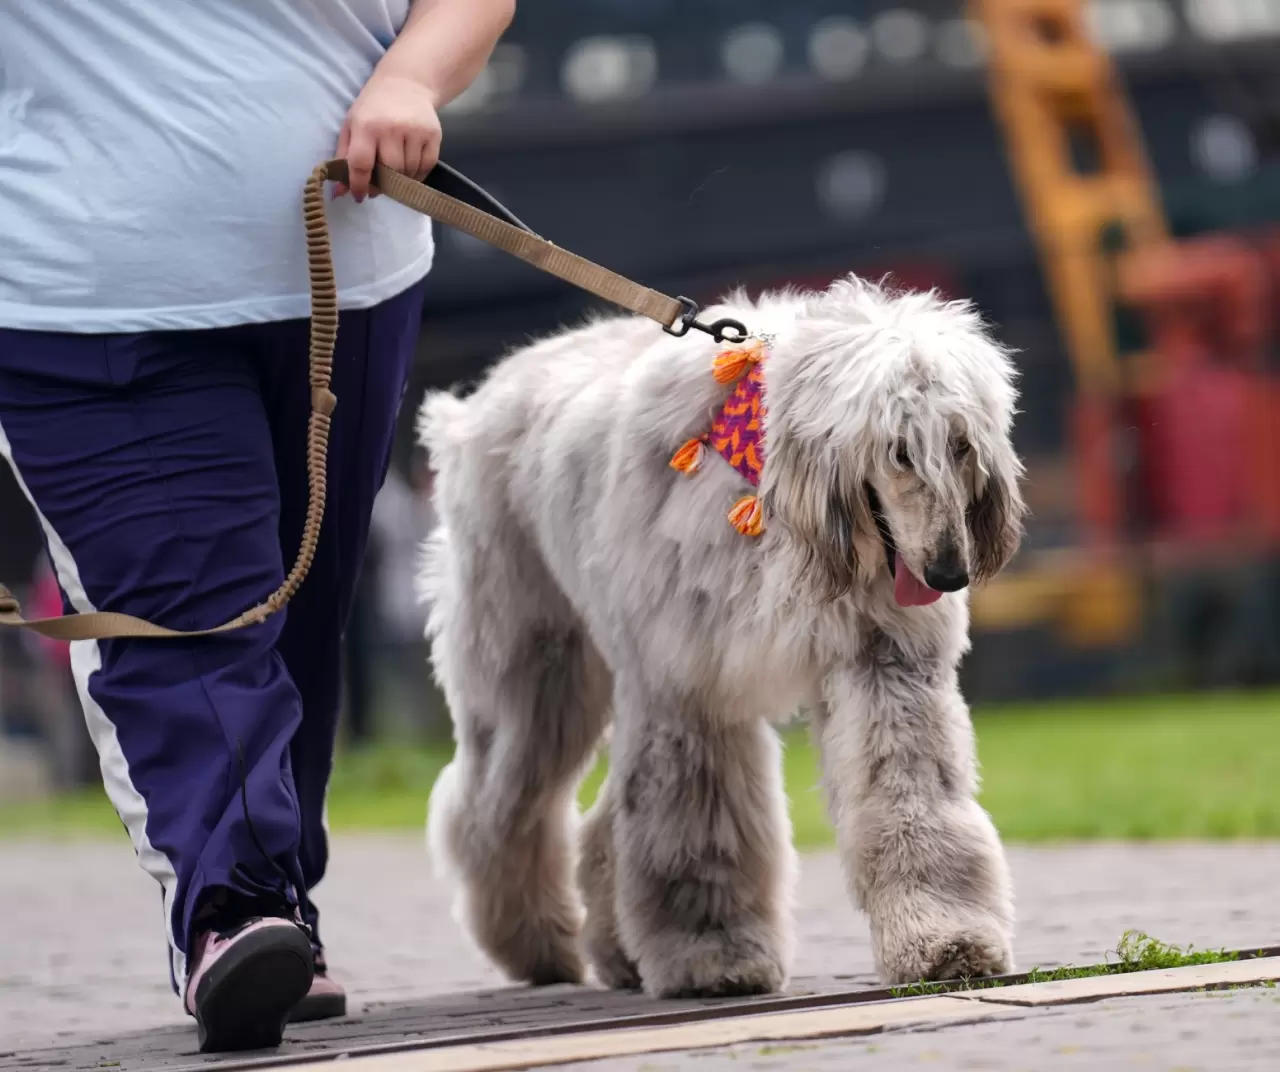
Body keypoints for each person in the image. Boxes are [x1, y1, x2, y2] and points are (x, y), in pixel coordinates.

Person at [0, 0, 514, 1053]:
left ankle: (274, 899)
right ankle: (231, 909)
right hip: (78, 306)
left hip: (349, 269)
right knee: (195, 613)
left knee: (298, 608)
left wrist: (410, 78)